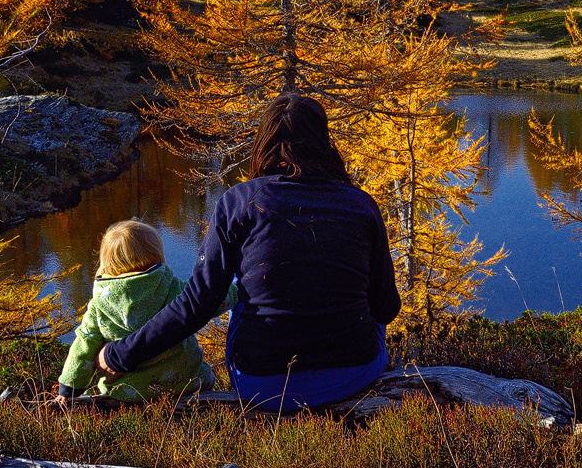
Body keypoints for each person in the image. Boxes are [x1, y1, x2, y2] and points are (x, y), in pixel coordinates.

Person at [97, 94, 401, 412]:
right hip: (352, 374)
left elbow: (198, 303)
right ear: (323, 143)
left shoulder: (240, 201)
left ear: (264, 142)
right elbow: (386, 310)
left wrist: (120, 354)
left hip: (263, 383)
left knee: (240, 297)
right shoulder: (361, 204)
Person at [54, 220, 232, 405]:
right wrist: (240, 289)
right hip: (189, 385)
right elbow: (209, 299)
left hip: (129, 395)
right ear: (156, 254)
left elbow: (84, 346)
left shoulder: (100, 304)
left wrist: (69, 388)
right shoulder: (171, 286)